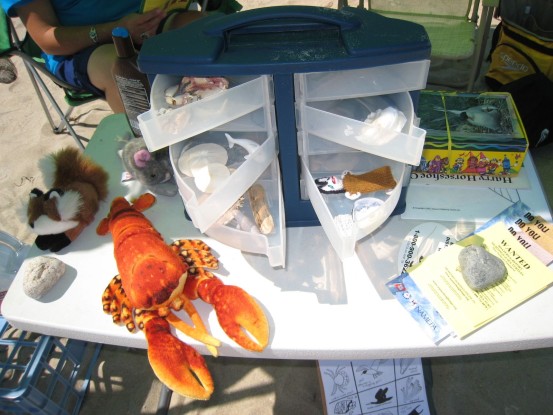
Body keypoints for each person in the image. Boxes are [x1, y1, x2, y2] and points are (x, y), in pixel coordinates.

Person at [0, 0, 204, 112]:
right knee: (123, 73)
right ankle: (151, 154)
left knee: (212, 31)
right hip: (80, 46)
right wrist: (115, 29)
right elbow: (48, 38)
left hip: (145, 19)